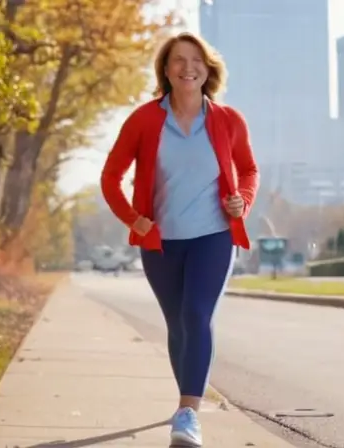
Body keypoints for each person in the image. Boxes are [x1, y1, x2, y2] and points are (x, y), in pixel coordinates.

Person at [100, 31, 259, 447]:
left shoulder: (228, 120)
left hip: (214, 235)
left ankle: (189, 414)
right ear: (166, 70)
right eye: (178, 60)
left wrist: (242, 200)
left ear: (208, 70)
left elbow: (248, 170)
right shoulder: (145, 120)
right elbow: (110, 176)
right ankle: (184, 405)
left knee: (196, 315)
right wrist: (133, 219)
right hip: (162, 240)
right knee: (176, 324)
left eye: (197, 61)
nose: (188, 68)